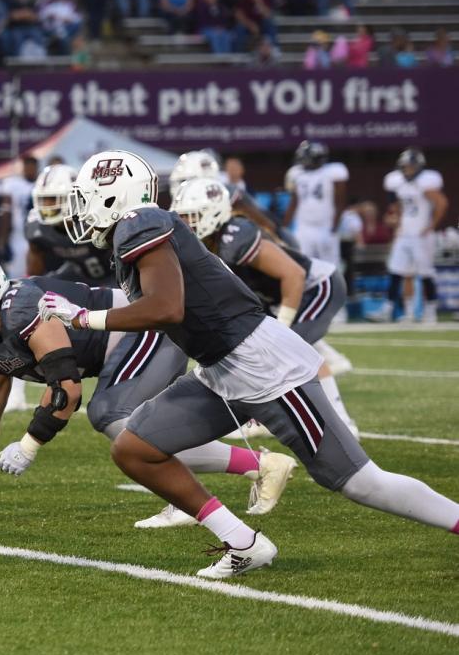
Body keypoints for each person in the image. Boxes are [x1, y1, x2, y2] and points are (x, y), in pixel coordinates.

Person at [41, 150, 459, 578]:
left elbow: (166, 308)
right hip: (221, 367)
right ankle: (245, 543)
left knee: (361, 482)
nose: (80, 209)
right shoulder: (136, 229)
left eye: (86, 197)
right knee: (135, 448)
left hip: (260, 364)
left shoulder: (139, 223)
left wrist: (83, 317)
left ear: (114, 196)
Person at [0, 252, 293, 525]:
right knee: (147, 429)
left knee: (110, 415)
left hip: (145, 330)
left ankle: (260, 464)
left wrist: (29, 445)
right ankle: (197, 493)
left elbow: (66, 391)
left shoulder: (23, 308)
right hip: (117, 350)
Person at [174, 176, 357, 437]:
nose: (186, 223)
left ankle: (344, 424)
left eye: (192, 216)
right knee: (257, 353)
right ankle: (258, 420)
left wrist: (282, 326)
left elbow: (294, 275)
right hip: (277, 296)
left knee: (297, 350)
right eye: (182, 217)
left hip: (317, 286)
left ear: (213, 212)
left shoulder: (234, 234)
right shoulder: (206, 243)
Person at [383, 148, 447, 323]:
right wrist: (397, 221)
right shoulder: (398, 183)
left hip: (421, 234)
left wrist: (431, 226)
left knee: (425, 273)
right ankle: (399, 311)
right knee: (397, 271)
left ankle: (430, 311)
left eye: (410, 167)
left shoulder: (426, 183)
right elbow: (396, 206)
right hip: (405, 233)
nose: (407, 170)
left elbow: (442, 203)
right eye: (405, 167)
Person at [24, 164, 112, 286]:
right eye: (43, 199)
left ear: (75, 197)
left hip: (115, 275)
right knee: (34, 286)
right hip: (78, 275)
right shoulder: (36, 226)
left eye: (53, 199)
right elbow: (34, 270)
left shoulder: (96, 218)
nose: (47, 205)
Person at [282, 140, 348, 269]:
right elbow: (294, 202)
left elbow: (340, 203)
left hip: (325, 226)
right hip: (304, 228)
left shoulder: (333, 172)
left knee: (331, 267)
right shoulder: (297, 174)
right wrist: (283, 227)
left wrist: (334, 227)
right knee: (302, 265)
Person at [0, 155, 39, 277]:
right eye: (27, 166)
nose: (29, 170)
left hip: (38, 234)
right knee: (16, 275)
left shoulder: (41, 183)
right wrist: (3, 242)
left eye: (32, 166)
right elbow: (6, 213)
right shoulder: (12, 185)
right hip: (18, 234)